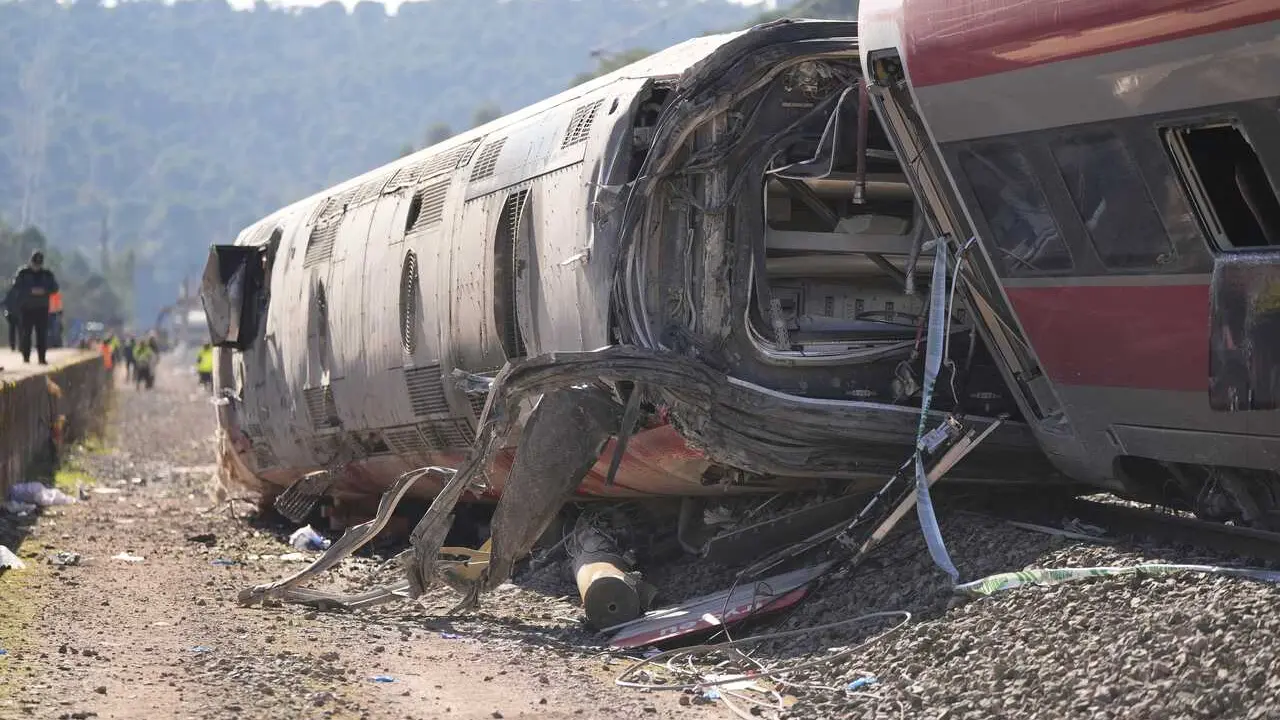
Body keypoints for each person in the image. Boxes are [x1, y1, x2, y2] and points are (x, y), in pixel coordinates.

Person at [4, 252, 59, 364]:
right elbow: (16, 286)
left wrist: (43, 291)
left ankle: (42, 358)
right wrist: (30, 291)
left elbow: (55, 288)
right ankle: (26, 357)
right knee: (26, 333)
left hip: (42, 308)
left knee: (41, 334)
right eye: (35, 263)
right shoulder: (23, 273)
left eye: (39, 264)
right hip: (27, 308)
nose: (36, 266)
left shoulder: (47, 275)